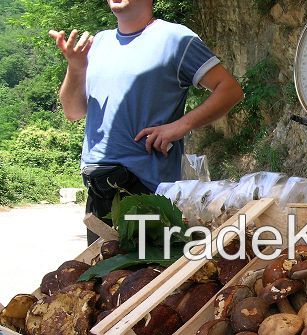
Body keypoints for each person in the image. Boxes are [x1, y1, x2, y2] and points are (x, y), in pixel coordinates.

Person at [49, 0, 244, 244]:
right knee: (102, 278)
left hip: (148, 191)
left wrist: (180, 126)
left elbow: (230, 89)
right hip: (98, 188)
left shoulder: (176, 39)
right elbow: (73, 111)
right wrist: (76, 68)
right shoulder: (98, 43)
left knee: (144, 278)